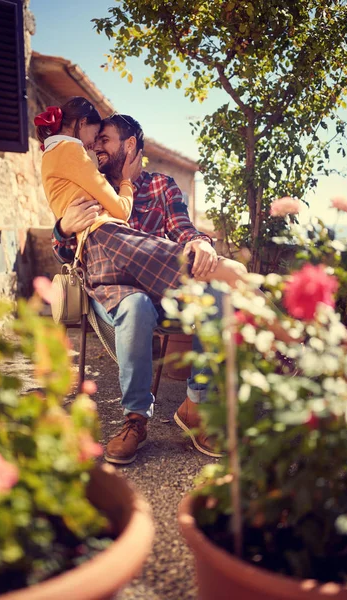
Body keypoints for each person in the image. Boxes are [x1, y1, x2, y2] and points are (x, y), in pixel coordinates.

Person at [45, 101, 247, 464]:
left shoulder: (161, 186)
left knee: (217, 293)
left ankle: (196, 406)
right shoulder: (90, 181)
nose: (95, 147)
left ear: (131, 146)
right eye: (95, 140)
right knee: (135, 304)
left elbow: (183, 229)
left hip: (165, 289)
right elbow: (66, 253)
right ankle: (135, 420)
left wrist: (199, 242)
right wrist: (63, 227)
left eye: (104, 140)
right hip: (113, 296)